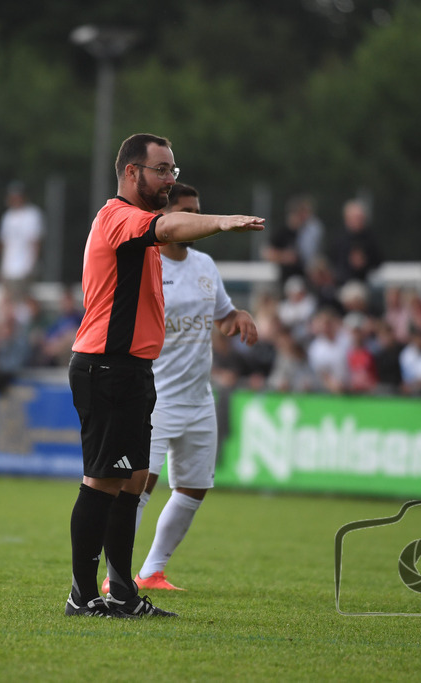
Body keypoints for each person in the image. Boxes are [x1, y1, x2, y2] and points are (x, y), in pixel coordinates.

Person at [65, 134, 263, 618]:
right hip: (106, 366)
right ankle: (81, 595)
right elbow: (170, 225)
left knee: (132, 484)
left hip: (133, 371)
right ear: (132, 173)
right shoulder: (118, 217)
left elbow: (168, 231)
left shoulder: (147, 234)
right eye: (161, 170)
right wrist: (218, 221)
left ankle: (123, 592)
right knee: (102, 483)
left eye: (173, 169)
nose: (170, 178)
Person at [95, 183, 258, 595]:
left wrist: (238, 317)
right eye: (189, 212)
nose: (198, 221)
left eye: (199, 211)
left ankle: (151, 571)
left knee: (194, 486)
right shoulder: (147, 263)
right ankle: (115, 578)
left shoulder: (204, 264)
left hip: (199, 398)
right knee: (139, 484)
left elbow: (221, 317)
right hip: (156, 397)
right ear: (169, 219)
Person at [262, 194, 323, 292]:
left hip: (307, 277)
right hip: (288, 278)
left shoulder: (308, 232)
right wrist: (285, 257)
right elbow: (267, 253)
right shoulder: (283, 232)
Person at [0, 181, 44, 294]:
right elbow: (4, 244)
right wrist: (1, 267)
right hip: (9, 268)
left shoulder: (32, 214)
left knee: (24, 299)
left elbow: (35, 241)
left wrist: (32, 265)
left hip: (25, 267)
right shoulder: (7, 216)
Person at [331, 199, 381, 285]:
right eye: (356, 218)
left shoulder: (370, 238)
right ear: (347, 219)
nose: (359, 221)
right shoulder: (339, 239)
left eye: (361, 218)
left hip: (366, 282)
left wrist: (364, 262)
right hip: (343, 283)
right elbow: (333, 262)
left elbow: (378, 261)